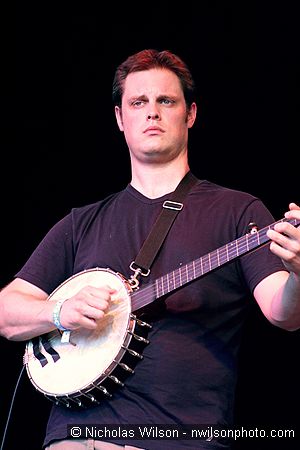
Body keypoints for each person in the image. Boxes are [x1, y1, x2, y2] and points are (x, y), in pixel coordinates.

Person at [0, 49, 300, 450]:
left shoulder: (237, 211)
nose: (152, 112)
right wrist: (57, 311)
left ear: (190, 114)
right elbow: (7, 310)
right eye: (138, 102)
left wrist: (298, 272)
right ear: (120, 119)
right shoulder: (82, 222)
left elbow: (285, 313)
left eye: (166, 101)